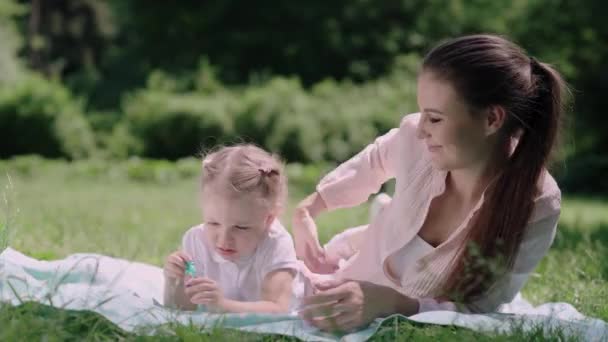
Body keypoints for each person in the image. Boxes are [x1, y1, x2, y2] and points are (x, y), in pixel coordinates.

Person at [293, 34, 567, 332]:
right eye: (422, 113)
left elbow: (475, 309)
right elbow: (370, 164)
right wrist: (309, 208)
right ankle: (366, 230)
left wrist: (391, 303)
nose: (421, 129)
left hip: (403, 307)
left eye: (435, 119)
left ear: (492, 119)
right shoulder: (414, 137)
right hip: (353, 270)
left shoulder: (537, 202)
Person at [163, 144, 299, 313]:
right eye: (213, 223)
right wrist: (174, 281)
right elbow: (181, 309)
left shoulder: (276, 245)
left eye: (241, 227)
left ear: (269, 219)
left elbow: (278, 309)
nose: (223, 240)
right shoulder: (196, 241)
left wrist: (225, 306)